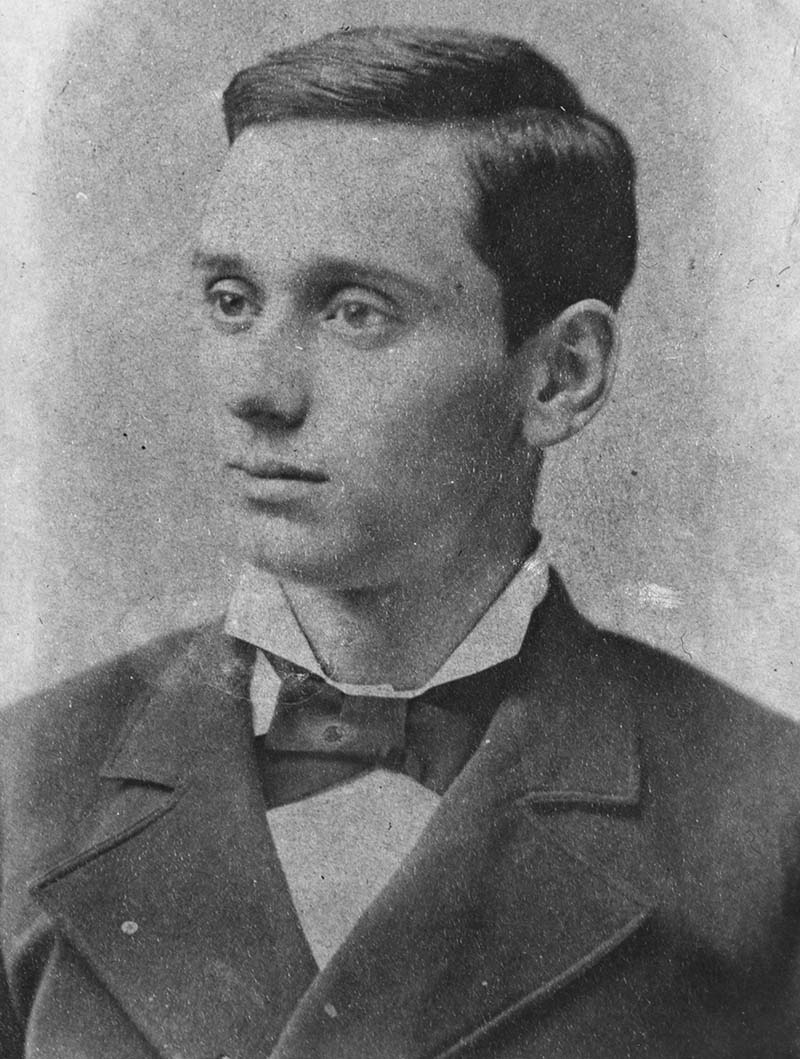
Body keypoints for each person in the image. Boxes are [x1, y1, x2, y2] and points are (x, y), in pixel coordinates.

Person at [1, 24, 798, 1059]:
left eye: (354, 312)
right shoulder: (22, 785)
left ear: (560, 376)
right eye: (231, 301)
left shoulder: (767, 829)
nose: (257, 389)